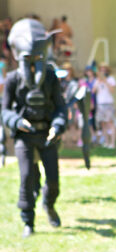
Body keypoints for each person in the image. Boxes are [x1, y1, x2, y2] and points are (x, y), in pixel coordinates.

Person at [1, 19, 67, 238]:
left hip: (48, 134)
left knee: (54, 180)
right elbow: (4, 110)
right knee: (27, 176)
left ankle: (49, 204)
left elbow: (60, 107)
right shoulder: (12, 79)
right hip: (24, 137)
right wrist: (17, 122)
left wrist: (57, 126)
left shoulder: (50, 77)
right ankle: (28, 220)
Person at [92, 62, 116, 148]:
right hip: (100, 104)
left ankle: (112, 143)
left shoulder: (111, 79)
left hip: (108, 103)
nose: (103, 71)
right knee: (103, 124)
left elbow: (112, 90)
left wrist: (105, 81)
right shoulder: (97, 80)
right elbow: (93, 91)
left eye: (104, 69)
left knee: (110, 123)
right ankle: (106, 142)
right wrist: (98, 81)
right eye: (101, 69)